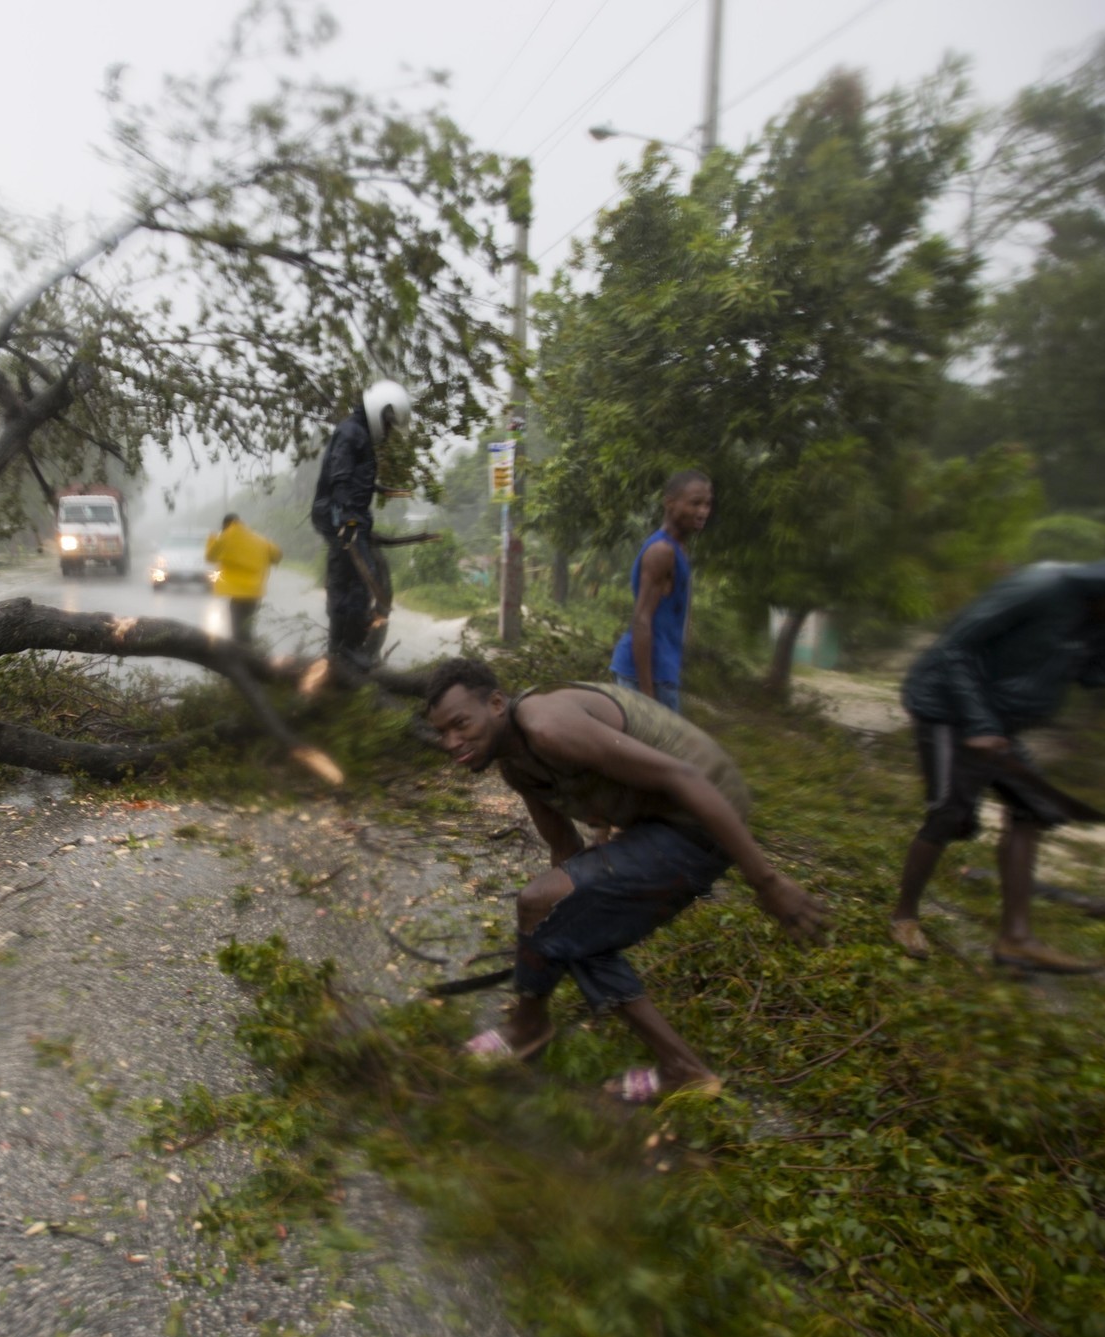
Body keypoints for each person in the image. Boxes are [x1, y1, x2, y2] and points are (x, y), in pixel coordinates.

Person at [424, 658, 828, 1101]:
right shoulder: (516, 766)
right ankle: (545, 1030)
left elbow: (684, 776)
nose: (452, 742)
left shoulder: (547, 726)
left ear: (497, 703)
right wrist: (541, 941)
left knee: (554, 909)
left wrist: (767, 883)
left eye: (460, 724)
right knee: (563, 916)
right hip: (657, 823)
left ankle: (538, 1030)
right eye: (443, 733)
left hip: (703, 817)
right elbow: (565, 853)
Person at [890, 553, 1105, 969]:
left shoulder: (1095, 621)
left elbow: (1097, 675)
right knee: (948, 812)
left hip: (997, 721)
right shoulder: (1043, 586)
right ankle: (904, 917)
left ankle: (1015, 939)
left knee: (1032, 810)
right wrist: (980, 723)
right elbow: (955, 649)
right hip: (947, 706)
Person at [311, 380, 411, 667]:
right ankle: (346, 650)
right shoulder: (352, 433)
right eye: (389, 423)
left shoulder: (357, 432)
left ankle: (341, 649)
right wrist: (348, 518)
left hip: (346, 513)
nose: (390, 431)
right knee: (358, 580)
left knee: (349, 579)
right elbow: (341, 476)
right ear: (382, 410)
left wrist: (375, 489)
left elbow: (352, 475)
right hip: (340, 514)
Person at [608, 470, 713, 712]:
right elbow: (641, 620)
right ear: (670, 502)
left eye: (707, 504)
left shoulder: (678, 549)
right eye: (695, 503)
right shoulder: (662, 551)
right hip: (645, 676)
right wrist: (647, 695)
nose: (703, 512)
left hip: (661, 672)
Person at [203, 513, 282, 647]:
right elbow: (277, 556)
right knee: (247, 628)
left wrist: (212, 539)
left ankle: (243, 658)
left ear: (224, 526)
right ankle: (251, 655)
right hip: (255, 592)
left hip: (237, 593)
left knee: (237, 631)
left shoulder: (225, 538)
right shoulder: (258, 538)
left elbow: (210, 557)